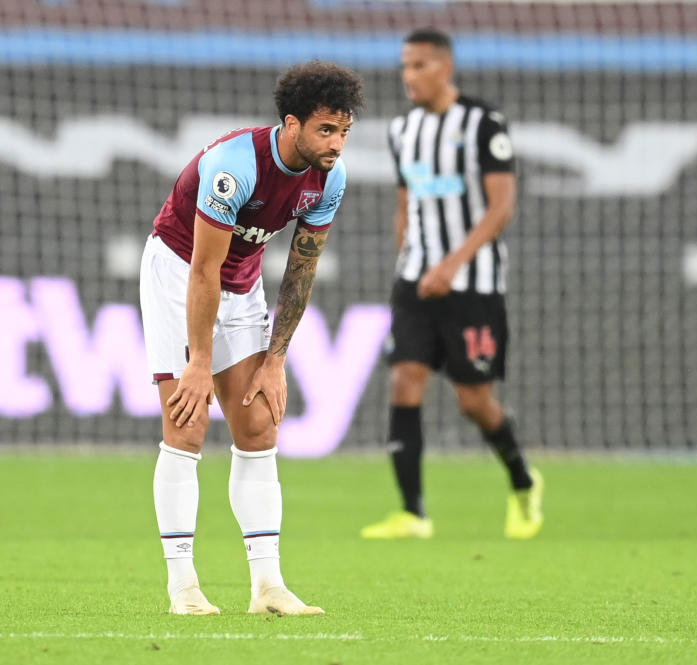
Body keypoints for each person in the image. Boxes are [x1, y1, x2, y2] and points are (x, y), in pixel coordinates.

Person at [139, 60, 364, 614]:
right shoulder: (232, 166)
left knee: (259, 423)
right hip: (179, 273)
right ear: (292, 124)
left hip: (242, 285)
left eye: (344, 131)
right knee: (186, 424)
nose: (336, 143)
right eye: (326, 130)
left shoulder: (330, 178)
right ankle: (183, 587)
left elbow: (301, 269)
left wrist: (276, 359)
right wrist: (198, 361)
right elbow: (201, 270)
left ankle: (268, 587)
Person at [360, 28, 543, 540]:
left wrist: (453, 263)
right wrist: (410, 260)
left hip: (473, 284)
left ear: (444, 67)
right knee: (404, 379)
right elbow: (405, 203)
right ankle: (413, 513)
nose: (408, 76)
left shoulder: (484, 123)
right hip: (416, 281)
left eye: (418, 65)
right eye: (404, 66)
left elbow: (501, 205)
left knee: (474, 401)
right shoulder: (402, 130)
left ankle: (523, 481)